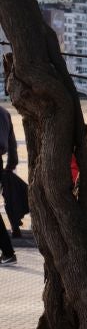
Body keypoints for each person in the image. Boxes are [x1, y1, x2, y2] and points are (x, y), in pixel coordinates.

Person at [0, 105, 18, 265]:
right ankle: (7, 252)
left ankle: (8, 252)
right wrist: (11, 163)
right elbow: (11, 142)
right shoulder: (4, 112)